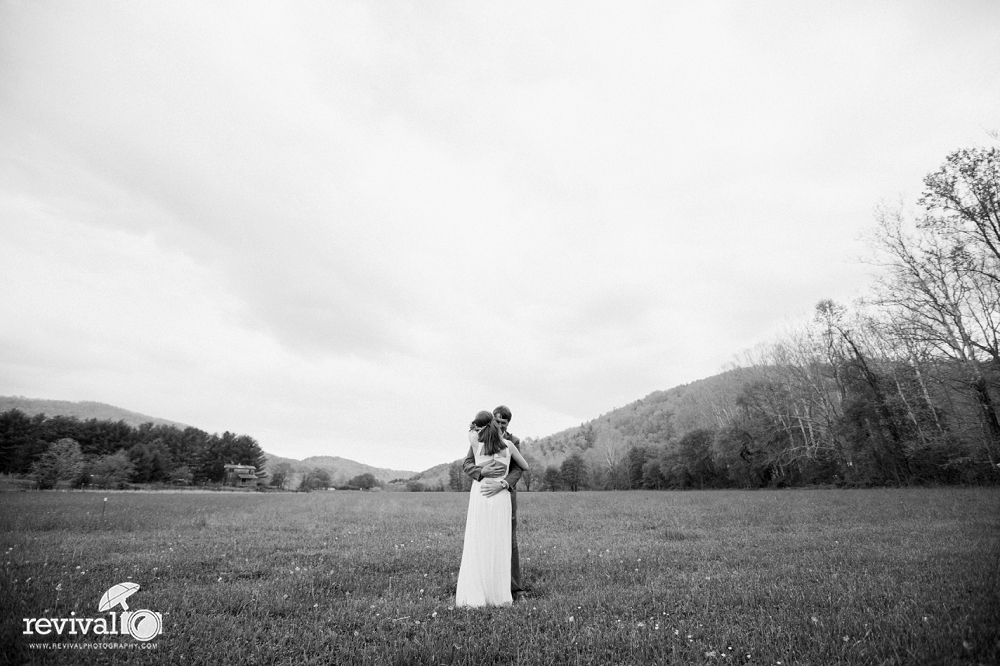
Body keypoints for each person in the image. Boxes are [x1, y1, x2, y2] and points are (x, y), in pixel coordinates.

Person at [455, 411, 529, 607]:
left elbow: (518, 469)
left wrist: (503, 483)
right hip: (487, 491)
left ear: (508, 423)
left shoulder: (513, 441)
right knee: (486, 540)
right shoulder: (482, 441)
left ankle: (514, 587)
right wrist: (482, 471)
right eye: (498, 422)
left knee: (507, 541)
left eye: (504, 423)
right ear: (493, 422)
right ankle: (492, 588)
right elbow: (467, 464)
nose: (501, 425)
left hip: (504, 494)